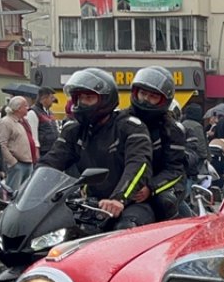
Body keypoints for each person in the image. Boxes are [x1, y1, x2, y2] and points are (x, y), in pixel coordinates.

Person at [40, 68, 154, 229]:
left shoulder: (130, 127)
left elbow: (138, 164)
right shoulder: (73, 129)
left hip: (130, 203)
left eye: (88, 98)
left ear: (105, 99)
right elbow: (52, 161)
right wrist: (26, 192)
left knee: (126, 230)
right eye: (79, 98)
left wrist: (119, 198)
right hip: (92, 203)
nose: (81, 103)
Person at [127, 66, 189, 220]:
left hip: (160, 182)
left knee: (165, 202)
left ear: (164, 100)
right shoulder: (120, 121)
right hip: (125, 183)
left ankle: (172, 236)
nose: (145, 99)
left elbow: (174, 169)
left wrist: (151, 188)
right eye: (142, 93)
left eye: (152, 96)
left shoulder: (172, 130)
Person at [0, 96, 35, 190]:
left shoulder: (21, 122)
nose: (28, 108)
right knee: (13, 194)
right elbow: (2, 144)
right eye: (25, 106)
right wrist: (13, 163)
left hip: (28, 163)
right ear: (18, 108)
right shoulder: (6, 122)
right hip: (17, 165)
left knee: (24, 194)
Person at [33, 87, 59, 156]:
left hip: (52, 149)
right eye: (51, 97)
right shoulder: (33, 112)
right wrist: (36, 151)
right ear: (44, 98)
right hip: (42, 151)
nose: (53, 100)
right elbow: (33, 135)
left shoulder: (50, 112)